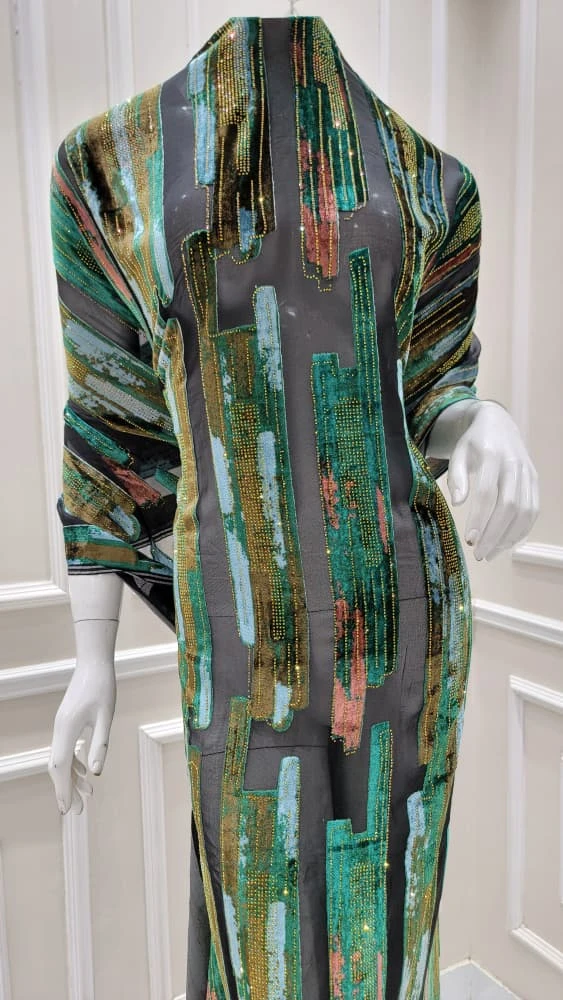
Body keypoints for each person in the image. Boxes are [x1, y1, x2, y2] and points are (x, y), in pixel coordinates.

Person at [48, 14, 538, 999]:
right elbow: (111, 425)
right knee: (260, 926)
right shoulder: (110, 166)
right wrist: (89, 657)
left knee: (388, 926)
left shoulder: (434, 180)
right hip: (240, 637)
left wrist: (479, 416)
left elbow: (431, 385)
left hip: (402, 623)